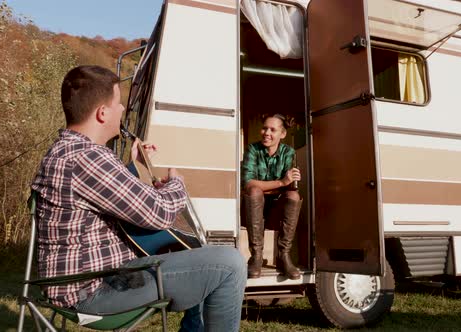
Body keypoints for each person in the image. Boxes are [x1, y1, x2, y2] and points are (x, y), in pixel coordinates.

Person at [31, 65, 246, 332]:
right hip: (95, 289)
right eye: (119, 103)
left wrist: (133, 167)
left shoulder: (70, 151)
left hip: (95, 279)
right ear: (102, 113)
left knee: (203, 256)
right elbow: (160, 213)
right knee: (230, 264)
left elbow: (106, 197)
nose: (123, 110)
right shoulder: (86, 158)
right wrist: (177, 183)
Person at [241, 114, 302, 280]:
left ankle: (284, 255)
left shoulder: (288, 152)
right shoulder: (252, 149)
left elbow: (289, 186)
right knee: (254, 192)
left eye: (272, 129)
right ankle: (256, 256)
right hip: (253, 208)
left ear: (282, 134)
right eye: (264, 128)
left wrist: (291, 180)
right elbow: (248, 184)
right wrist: (281, 182)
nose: (266, 132)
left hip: (276, 210)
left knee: (294, 196)